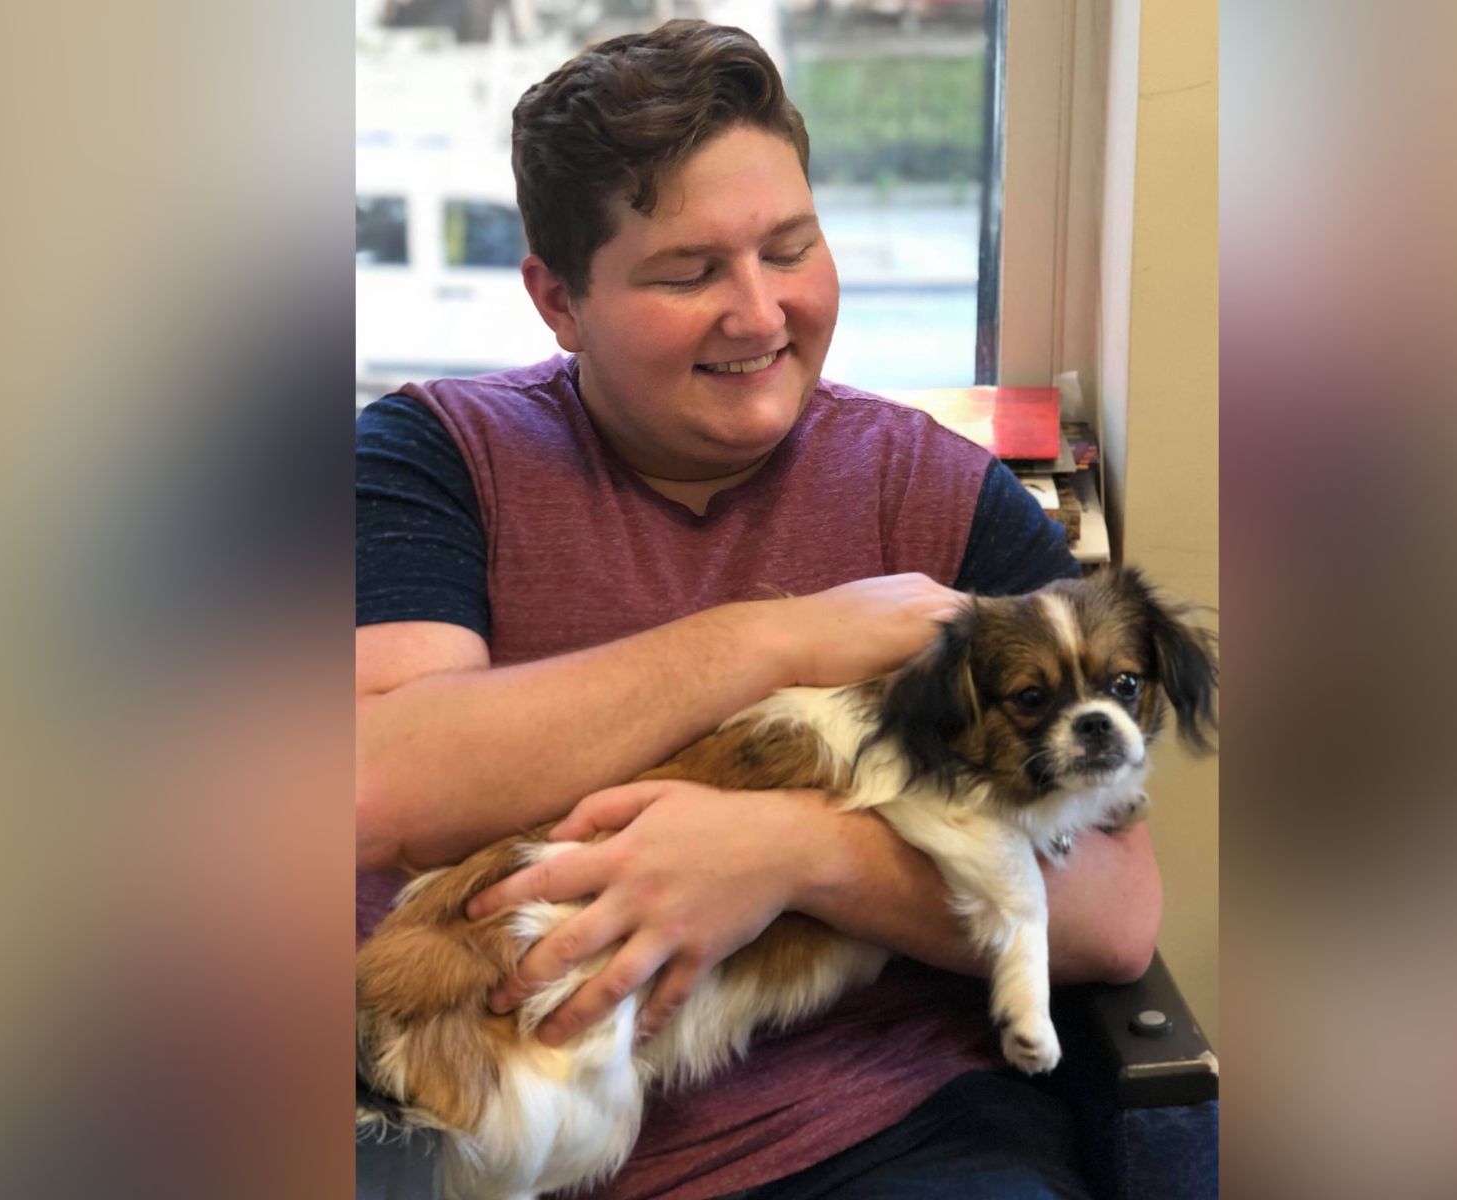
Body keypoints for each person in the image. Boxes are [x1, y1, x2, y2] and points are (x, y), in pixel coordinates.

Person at [355, 20, 1162, 1199]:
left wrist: (796, 857)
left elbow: (1111, 917)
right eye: (689, 272)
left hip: (878, 1136)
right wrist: (770, 637)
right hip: (492, 1115)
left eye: (790, 248)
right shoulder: (433, 458)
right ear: (558, 299)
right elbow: (380, 786)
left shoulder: (938, 494)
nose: (759, 315)